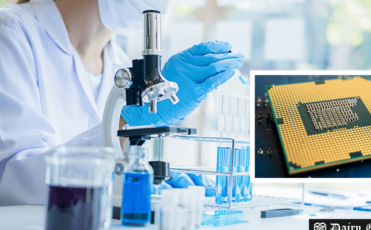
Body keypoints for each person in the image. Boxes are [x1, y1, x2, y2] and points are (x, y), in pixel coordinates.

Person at [0, 0, 244, 206]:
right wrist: (125, 122)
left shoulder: (119, 62)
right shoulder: (10, 34)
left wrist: (150, 176)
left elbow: (115, 176)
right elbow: (14, 181)